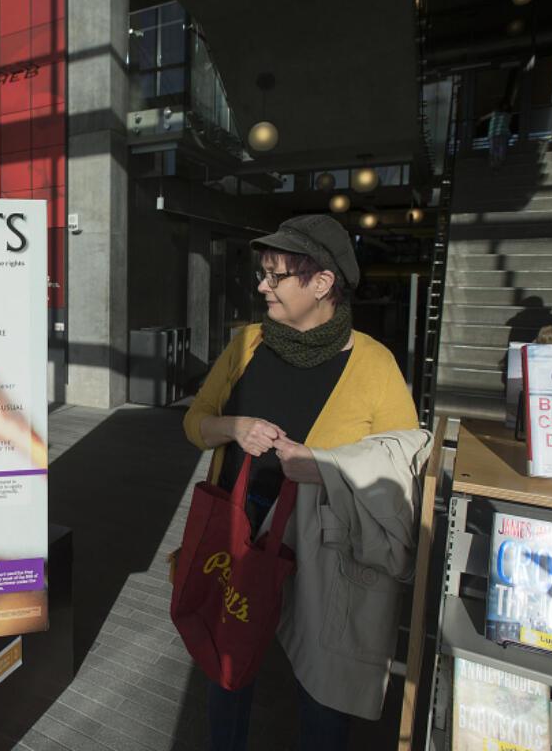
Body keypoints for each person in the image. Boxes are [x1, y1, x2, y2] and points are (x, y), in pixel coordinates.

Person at [182, 214, 431, 751]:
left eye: (276, 276)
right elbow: (195, 421)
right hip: (241, 528)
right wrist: (233, 427)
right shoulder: (246, 342)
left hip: (325, 544)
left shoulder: (374, 363)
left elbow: (403, 457)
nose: (261, 285)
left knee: (322, 688)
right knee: (231, 664)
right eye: (263, 273)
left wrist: (323, 465)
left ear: (322, 284)